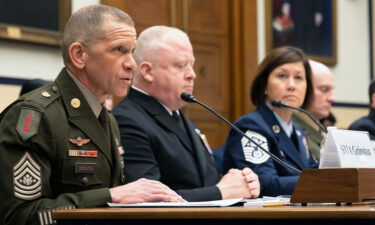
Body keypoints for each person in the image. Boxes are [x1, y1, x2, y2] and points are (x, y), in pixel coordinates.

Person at [0, 5, 184, 225]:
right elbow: (19, 216)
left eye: (132, 52)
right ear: (79, 55)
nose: (131, 64)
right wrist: (110, 196)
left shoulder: (108, 119)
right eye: (119, 50)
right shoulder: (36, 116)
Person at [113, 25, 260, 202]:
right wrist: (221, 191)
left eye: (192, 65)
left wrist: (242, 182)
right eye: (181, 65)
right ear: (147, 71)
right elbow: (146, 201)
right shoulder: (127, 120)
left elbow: (202, 182)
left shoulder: (178, 117)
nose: (192, 74)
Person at [222, 46, 318, 197]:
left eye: (298, 78)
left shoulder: (298, 132)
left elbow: (315, 172)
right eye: (282, 76)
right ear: (264, 85)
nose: (292, 85)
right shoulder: (251, 127)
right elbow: (265, 183)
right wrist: (320, 181)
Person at [292, 60, 335, 161]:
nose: (332, 98)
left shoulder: (320, 129)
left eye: (332, 90)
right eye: (324, 90)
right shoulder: (291, 130)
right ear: (304, 89)